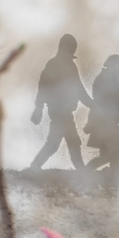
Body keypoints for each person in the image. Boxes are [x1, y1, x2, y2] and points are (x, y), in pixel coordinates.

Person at [29, 34, 90, 169]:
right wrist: (38, 108)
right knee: (70, 141)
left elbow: (78, 89)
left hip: (62, 110)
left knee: (57, 143)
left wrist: (91, 104)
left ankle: (35, 166)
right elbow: (43, 86)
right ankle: (81, 170)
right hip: (59, 111)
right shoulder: (58, 65)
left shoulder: (64, 65)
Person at [84, 54, 119, 170]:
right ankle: (88, 171)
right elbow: (117, 104)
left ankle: (111, 176)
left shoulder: (108, 79)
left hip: (106, 123)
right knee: (114, 151)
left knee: (111, 153)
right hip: (105, 123)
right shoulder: (105, 80)